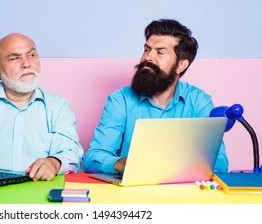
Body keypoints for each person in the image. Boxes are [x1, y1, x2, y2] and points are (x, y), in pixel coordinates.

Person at [83, 19, 228, 174]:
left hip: (183, 192)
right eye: (146, 50)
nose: (148, 57)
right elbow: (93, 159)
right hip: (130, 194)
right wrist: (120, 164)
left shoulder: (200, 102)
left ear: (181, 65)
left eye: (160, 52)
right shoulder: (120, 100)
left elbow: (218, 163)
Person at [0, 33, 83, 181]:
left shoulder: (58, 107)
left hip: (39, 193)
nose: (26, 64)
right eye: (14, 58)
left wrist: (54, 162)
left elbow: (71, 152)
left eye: (31, 55)